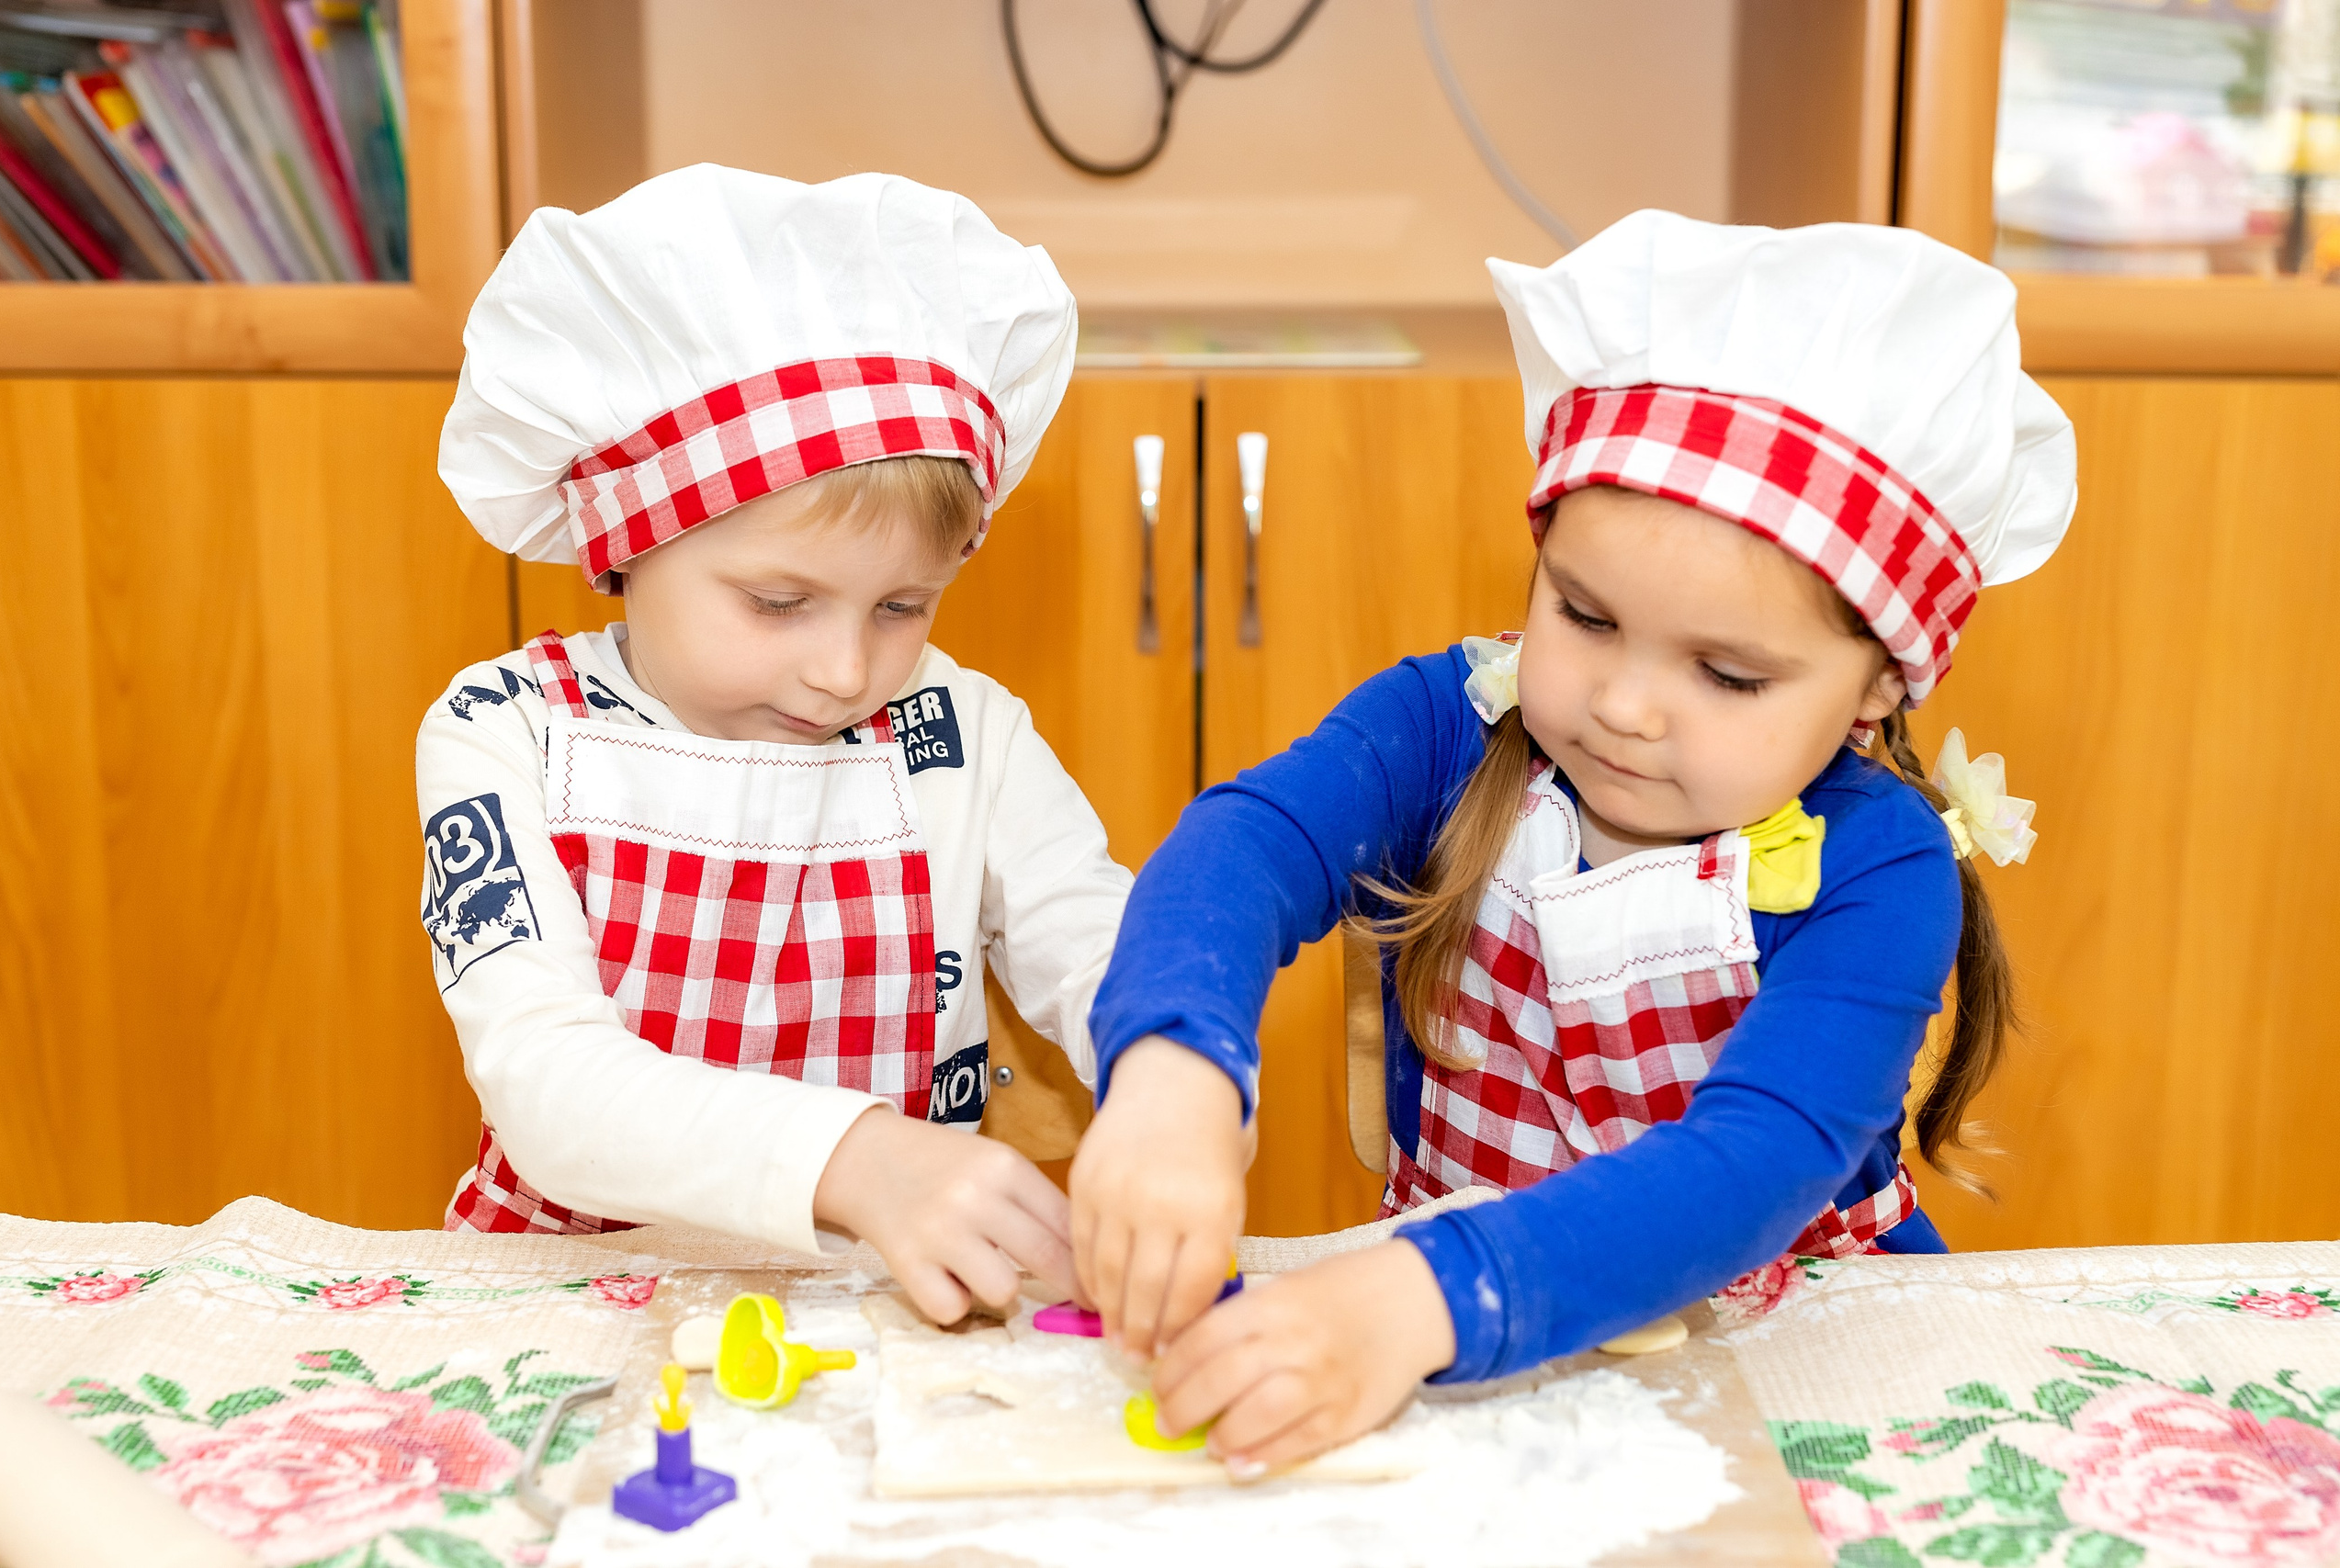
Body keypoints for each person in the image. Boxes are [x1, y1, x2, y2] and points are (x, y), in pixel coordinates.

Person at [1070, 210, 2075, 1471]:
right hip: (1457, 1354)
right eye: (1585, 616)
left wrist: (1421, 1298)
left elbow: (1752, 1160)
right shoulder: (1449, 724)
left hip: (1791, 1360)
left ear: (1878, 682)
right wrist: (1173, 1071)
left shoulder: (1882, 869)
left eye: (1726, 674)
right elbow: (1245, 846)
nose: (1625, 706)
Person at [419, 165, 1127, 1325]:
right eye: (779, 603)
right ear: (627, 547)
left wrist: (1168, 1061)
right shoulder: (506, 727)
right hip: (567, 1299)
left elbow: (1092, 935)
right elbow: (547, 1083)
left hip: (883, 1296)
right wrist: (861, 1159)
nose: (845, 671)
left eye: (902, 607)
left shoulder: (965, 732)